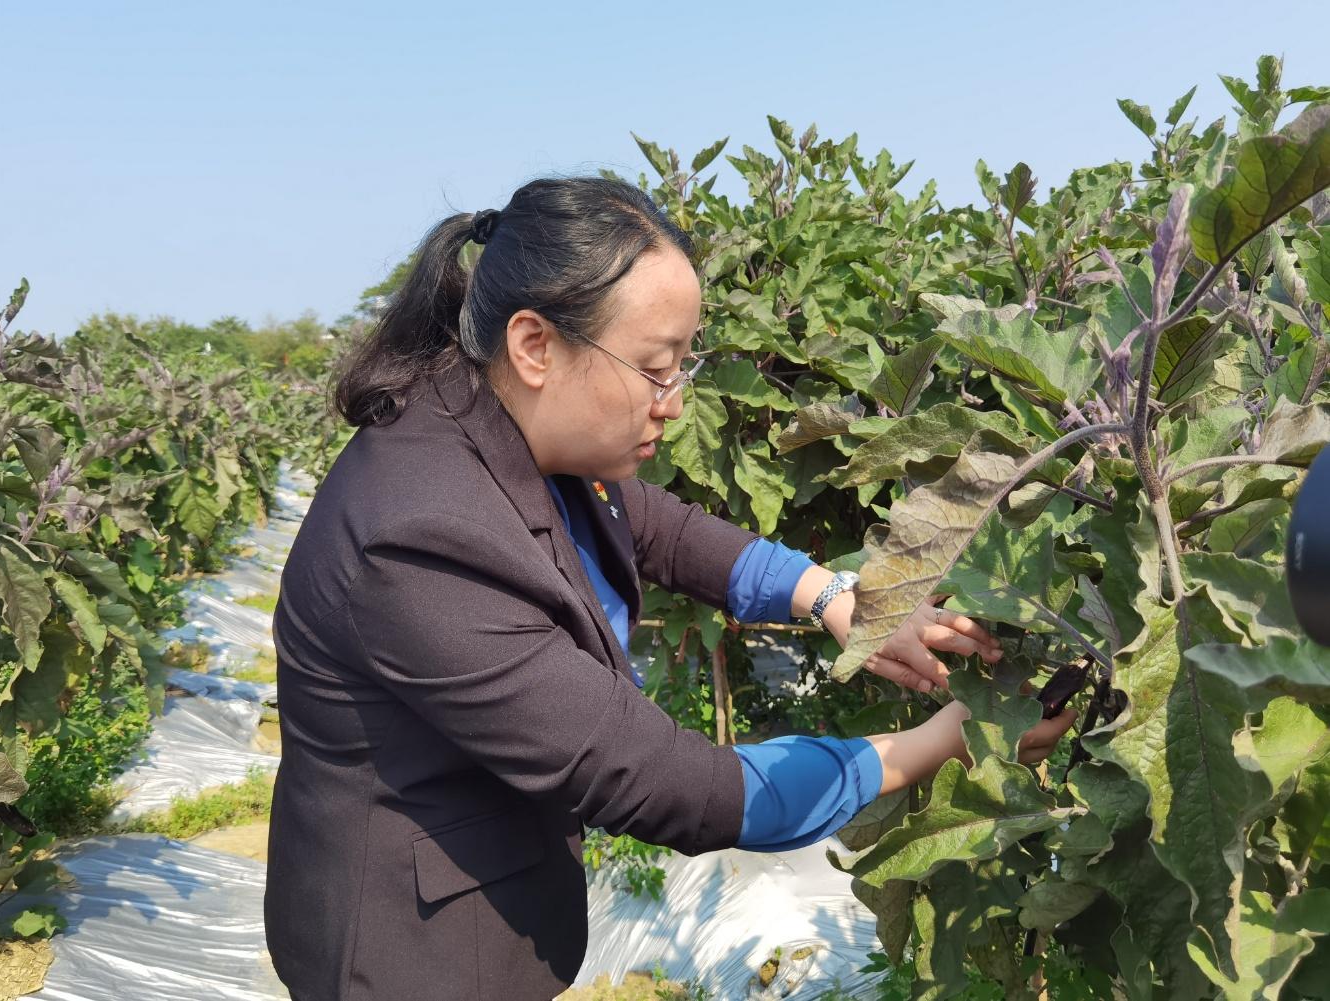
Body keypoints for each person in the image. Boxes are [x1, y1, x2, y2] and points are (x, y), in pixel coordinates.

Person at [263, 176, 1076, 1000]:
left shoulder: (501, 420)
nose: (676, 402)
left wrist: (836, 597)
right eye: (655, 368)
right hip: (414, 961)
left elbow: (655, 526)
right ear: (535, 344)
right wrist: (944, 741)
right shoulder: (420, 535)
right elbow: (675, 785)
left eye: (686, 363)